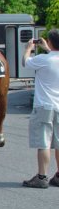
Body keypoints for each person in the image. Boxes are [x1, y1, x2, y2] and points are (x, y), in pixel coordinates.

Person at [21, 30, 59, 188]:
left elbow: (25, 62)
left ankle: (42, 176)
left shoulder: (43, 59)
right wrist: (48, 48)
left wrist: (28, 48)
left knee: (44, 142)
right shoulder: (50, 57)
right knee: (58, 143)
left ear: (49, 42)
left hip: (44, 105)